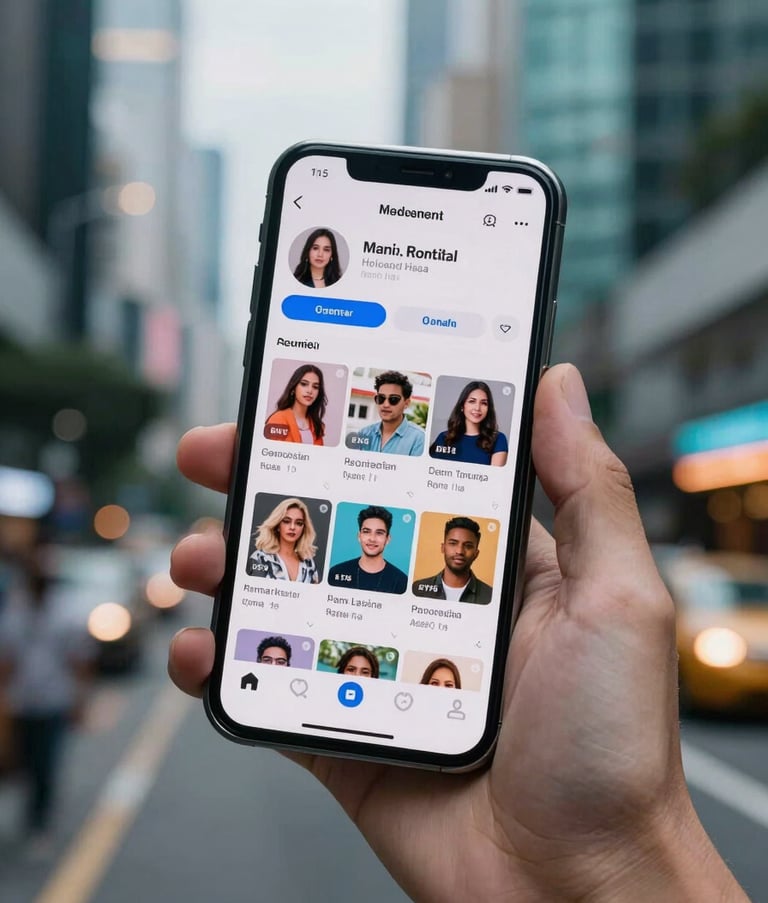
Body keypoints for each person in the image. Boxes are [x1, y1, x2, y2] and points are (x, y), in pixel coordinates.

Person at [169, 365, 748, 902]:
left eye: (397, 398)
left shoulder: (459, 466)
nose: (386, 404)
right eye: (381, 397)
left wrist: (618, 853)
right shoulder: (357, 465)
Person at [0, 554, 93, 851]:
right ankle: (29, 818)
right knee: (18, 763)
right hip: (20, 703)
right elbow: (7, 660)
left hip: (53, 702)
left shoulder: (67, 614)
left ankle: (39, 824)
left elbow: (79, 661)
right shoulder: (16, 611)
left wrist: (80, 700)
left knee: (45, 766)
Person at [327, 505, 408, 594]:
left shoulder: (401, 581)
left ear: (388, 539)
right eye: (366, 532)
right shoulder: (336, 573)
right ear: (359, 536)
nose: (372, 539)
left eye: (379, 533)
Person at [412, 516, 492, 604]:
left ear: (476, 554)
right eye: (453, 543)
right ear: (443, 548)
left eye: (468, 546)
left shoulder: (490, 596)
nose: (459, 551)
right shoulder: (417, 590)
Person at [430, 380, 508, 466]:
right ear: (462, 406)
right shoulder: (444, 438)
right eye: (472, 401)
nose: (477, 408)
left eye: (483, 403)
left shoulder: (498, 439)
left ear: (488, 408)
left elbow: (494, 474)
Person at [353, 371, 425, 456]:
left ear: (406, 403)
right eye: (381, 398)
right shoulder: (364, 433)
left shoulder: (419, 439)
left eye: (393, 399)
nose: (385, 405)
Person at [248, 497, 319, 583]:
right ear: (277, 525)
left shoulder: (309, 563)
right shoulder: (260, 558)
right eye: (286, 521)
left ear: (303, 528)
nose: (292, 527)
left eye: (299, 523)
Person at [264, 364, 327, 445]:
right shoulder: (278, 419)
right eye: (304, 384)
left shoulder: (316, 425)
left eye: (315, 387)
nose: (310, 391)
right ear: (293, 388)